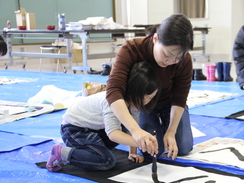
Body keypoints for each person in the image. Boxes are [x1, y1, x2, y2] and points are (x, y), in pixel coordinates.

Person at [106, 13, 194, 160]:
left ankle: (167, 126)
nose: (171, 61)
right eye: (168, 54)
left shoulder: (184, 61)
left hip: (169, 104)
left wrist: (171, 131)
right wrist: (135, 130)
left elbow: (180, 99)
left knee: (182, 147)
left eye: (178, 57)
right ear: (155, 39)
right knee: (150, 150)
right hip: (143, 104)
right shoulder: (132, 50)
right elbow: (114, 91)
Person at [46, 61, 161, 172]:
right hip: (74, 129)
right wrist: (141, 142)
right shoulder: (113, 102)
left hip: (94, 129)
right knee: (106, 160)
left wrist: (133, 152)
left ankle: (89, 151)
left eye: (151, 98)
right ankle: (60, 152)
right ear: (134, 92)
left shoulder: (134, 104)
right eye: (146, 97)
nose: (147, 101)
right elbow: (113, 134)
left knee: (124, 128)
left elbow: (133, 129)